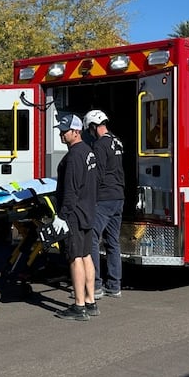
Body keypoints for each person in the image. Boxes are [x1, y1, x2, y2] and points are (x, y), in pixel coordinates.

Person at [52, 113, 98, 321]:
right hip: (87, 211)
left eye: (65, 131)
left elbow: (71, 190)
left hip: (74, 215)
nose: (61, 134)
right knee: (86, 255)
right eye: (60, 131)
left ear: (76, 131)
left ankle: (79, 306)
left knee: (75, 257)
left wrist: (62, 216)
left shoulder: (73, 156)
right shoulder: (88, 152)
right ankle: (90, 301)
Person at [84, 109, 125, 299]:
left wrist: (87, 196)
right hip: (118, 196)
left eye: (89, 129)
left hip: (105, 197)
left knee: (92, 237)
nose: (90, 133)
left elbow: (97, 174)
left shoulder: (100, 145)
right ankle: (114, 285)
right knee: (112, 241)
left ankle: (96, 285)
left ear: (93, 126)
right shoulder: (117, 141)